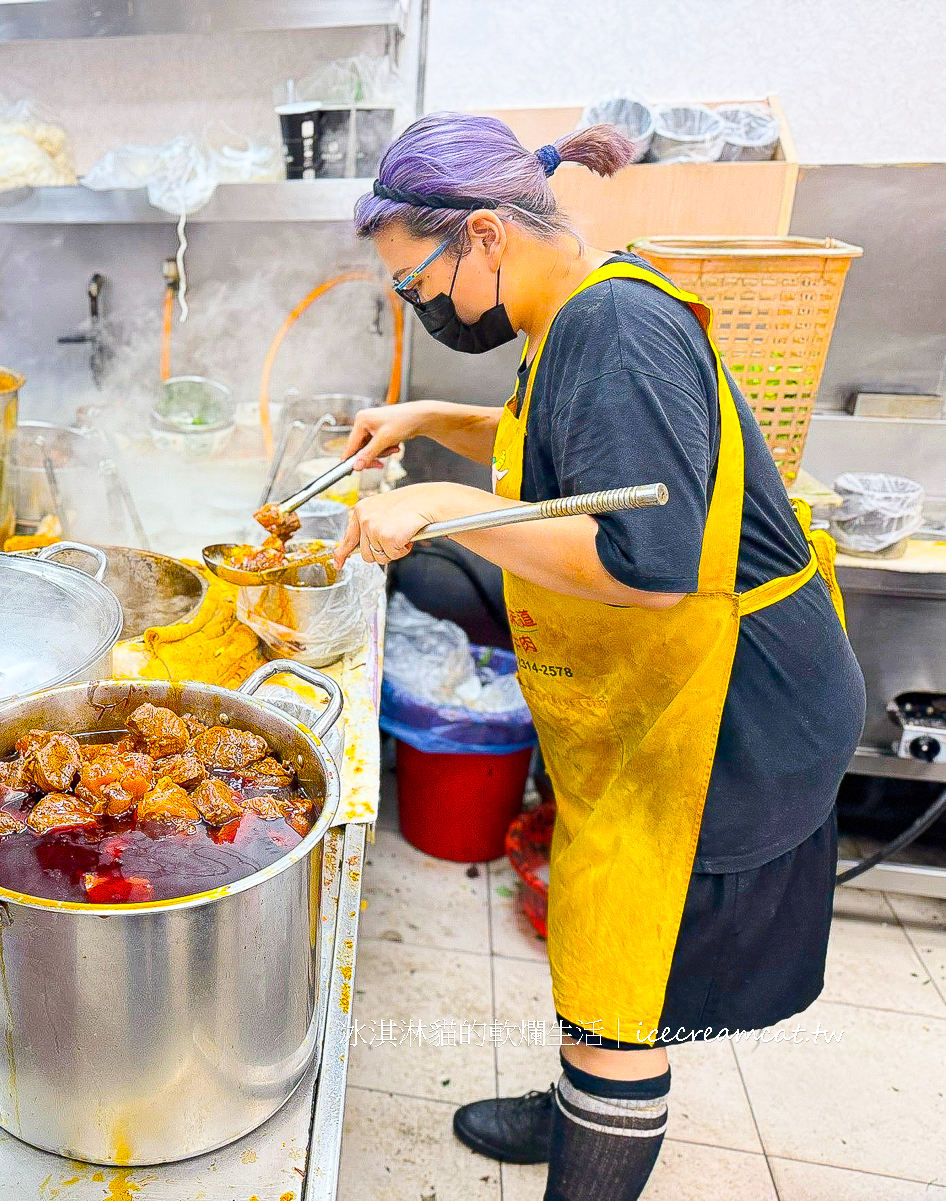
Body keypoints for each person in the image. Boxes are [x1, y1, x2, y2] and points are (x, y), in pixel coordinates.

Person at [339, 113, 865, 1201]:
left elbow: (649, 558)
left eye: (417, 285)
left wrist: (445, 508)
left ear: (483, 235)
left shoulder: (615, 328)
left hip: (729, 711)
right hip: (666, 697)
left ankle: (596, 1110)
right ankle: (580, 1096)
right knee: (600, 956)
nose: (421, 307)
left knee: (626, 989)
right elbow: (575, 445)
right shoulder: (578, 305)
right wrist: (434, 417)